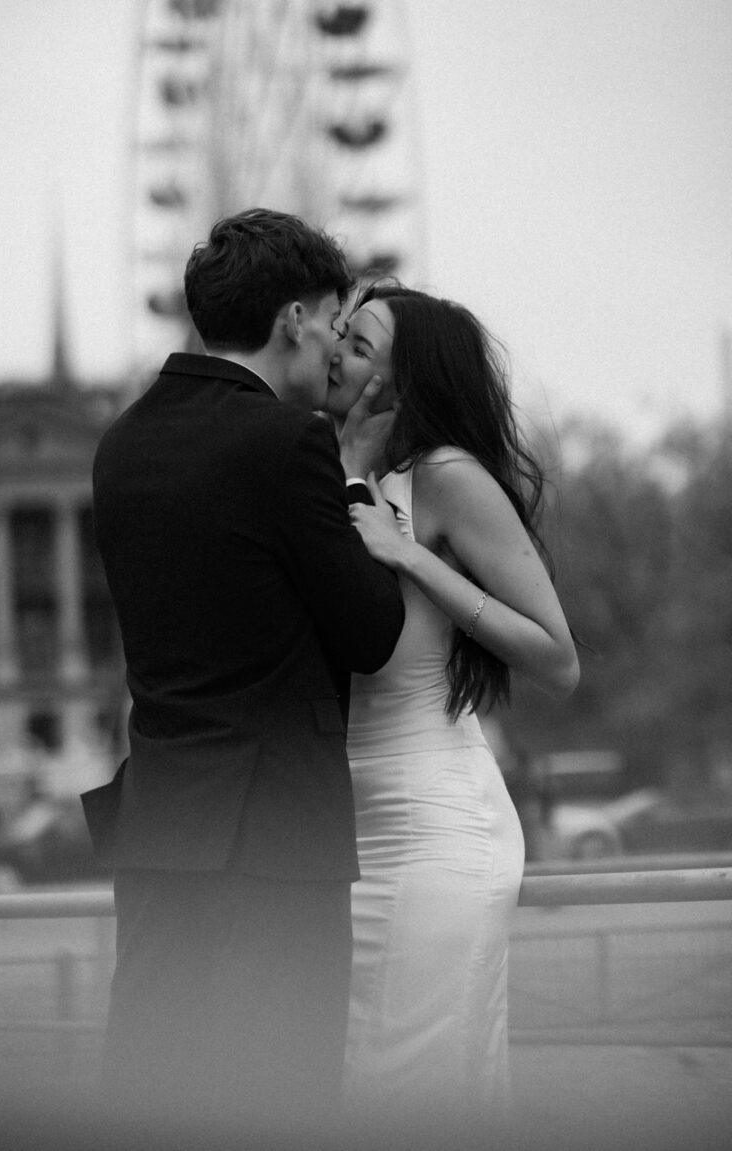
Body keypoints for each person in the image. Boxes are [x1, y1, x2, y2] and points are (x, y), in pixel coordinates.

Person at [81, 209, 405, 1134]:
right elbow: (372, 630)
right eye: (338, 324)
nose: (337, 347)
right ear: (295, 318)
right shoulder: (286, 442)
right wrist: (352, 478)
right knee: (284, 1101)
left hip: (158, 833)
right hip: (275, 843)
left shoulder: (121, 445)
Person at [323, 284, 579, 1125]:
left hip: (436, 830)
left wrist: (413, 556)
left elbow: (558, 656)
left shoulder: (445, 477)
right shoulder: (318, 472)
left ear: (401, 383)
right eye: (339, 334)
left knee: (409, 1098)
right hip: (341, 837)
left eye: (358, 345)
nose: (335, 352)